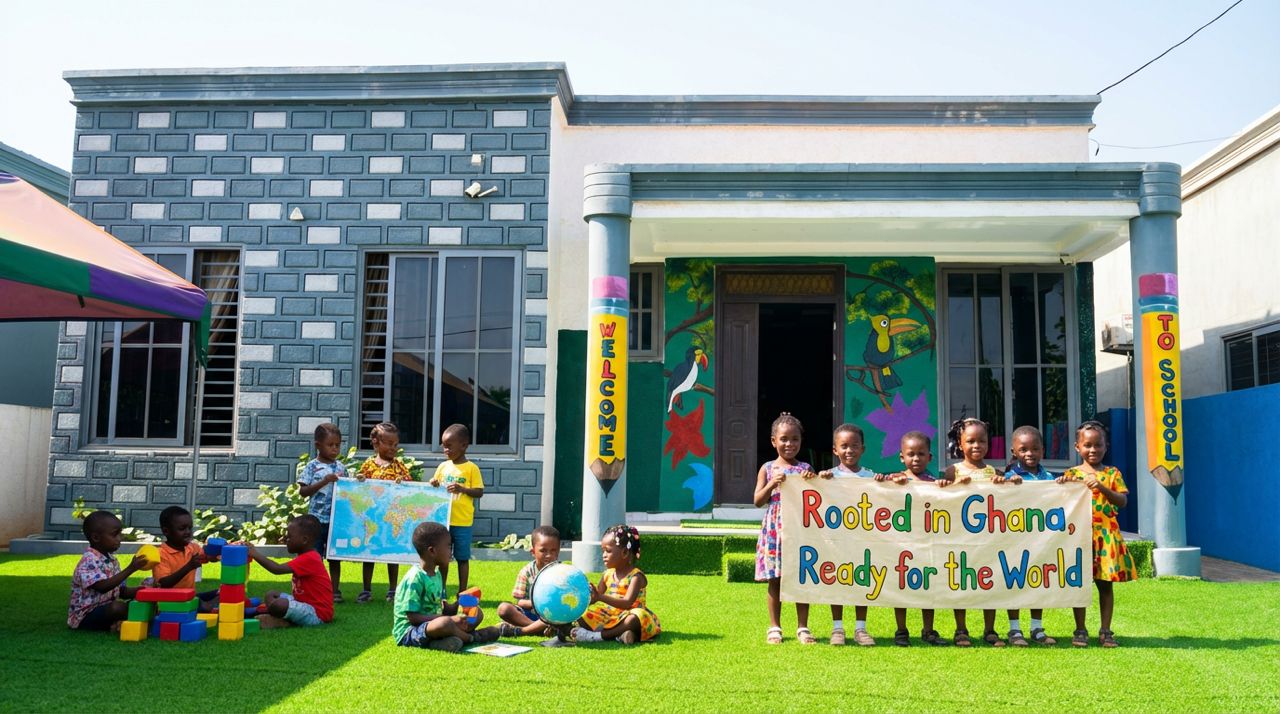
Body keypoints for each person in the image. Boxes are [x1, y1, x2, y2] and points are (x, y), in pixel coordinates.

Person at [1057, 420, 1138, 648]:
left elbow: (1122, 501)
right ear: (1077, 447)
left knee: (1105, 585)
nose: (1093, 450)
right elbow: (1061, 504)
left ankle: (1105, 630)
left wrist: (1101, 487)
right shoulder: (1071, 474)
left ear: (1106, 446)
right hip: (1080, 537)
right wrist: (1062, 486)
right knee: (1079, 584)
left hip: (1106, 536)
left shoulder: (1112, 473)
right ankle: (1080, 629)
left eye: (1098, 445)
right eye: (1087, 445)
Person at [937, 417, 1007, 648]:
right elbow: (939, 498)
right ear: (960, 443)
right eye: (971, 441)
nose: (976, 446)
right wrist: (952, 485)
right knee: (961, 581)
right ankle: (961, 628)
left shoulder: (993, 472)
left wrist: (1007, 483)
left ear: (988, 443)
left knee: (990, 580)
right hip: (960, 538)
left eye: (982, 441)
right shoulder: (951, 471)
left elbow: (1009, 500)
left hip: (988, 538)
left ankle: (990, 628)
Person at [875, 431, 947, 647]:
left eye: (921, 454)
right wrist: (883, 481)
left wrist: (945, 487)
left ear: (930, 457)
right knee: (901, 585)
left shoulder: (934, 482)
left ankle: (928, 629)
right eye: (911, 454)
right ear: (901, 457)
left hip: (927, 543)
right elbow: (877, 493)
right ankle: (901, 629)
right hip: (901, 544)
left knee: (928, 585)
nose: (916, 458)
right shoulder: (895, 479)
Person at [754, 412, 818, 645]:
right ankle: (775, 627)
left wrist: (811, 479)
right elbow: (757, 500)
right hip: (775, 529)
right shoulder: (768, 468)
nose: (789, 444)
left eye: (794, 439)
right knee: (775, 579)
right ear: (774, 441)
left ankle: (802, 626)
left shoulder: (805, 468)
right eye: (784, 439)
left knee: (801, 577)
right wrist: (773, 483)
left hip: (800, 529)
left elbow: (816, 498)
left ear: (801, 442)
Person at [393, 521, 505, 652]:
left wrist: (460, 605)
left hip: (434, 624)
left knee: (477, 613)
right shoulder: (414, 579)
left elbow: (443, 609)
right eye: (448, 547)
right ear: (432, 551)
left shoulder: (437, 575)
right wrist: (449, 619)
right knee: (444, 623)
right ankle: (472, 638)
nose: (451, 551)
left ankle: (446, 640)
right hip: (410, 631)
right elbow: (413, 618)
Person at [812, 423, 876, 646]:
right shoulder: (829, 477)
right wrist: (819, 481)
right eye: (844, 446)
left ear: (863, 449)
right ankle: (837, 628)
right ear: (835, 450)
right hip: (836, 541)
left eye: (854, 446)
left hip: (861, 540)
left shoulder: (871, 477)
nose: (849, 451)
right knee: (837, 580)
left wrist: (887, 484)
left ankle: (861, 628)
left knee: (861, 580)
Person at [996, 425, 1059, 646]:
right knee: (1014, 580)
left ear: (1043, 450)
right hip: (1015, 539)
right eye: (1023, 449)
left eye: (1035, 448)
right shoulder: (1009, 476)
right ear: (1014, 451)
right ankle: (1014, 629)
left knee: (1037, 579)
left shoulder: (1049, 477)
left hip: (1041, 540)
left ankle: (1036, 627)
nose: (1029, 453)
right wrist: (1006, 485)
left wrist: (1063, 487)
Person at [572, 525, 661, 645]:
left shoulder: (636, 577)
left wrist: (600, 597)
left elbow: (627, 603)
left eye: (608, 551)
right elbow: (597, 595)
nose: (604, 555)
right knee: (582, 615)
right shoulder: (607, 574)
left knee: (635, 618)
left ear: (624, 552)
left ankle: (598, 636)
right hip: (608, 614)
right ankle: (623, 635)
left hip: (628, 614)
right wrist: (590, 597)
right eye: (602, 551)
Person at [355, 421, 411, 603]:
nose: (393, 448)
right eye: (388, 443)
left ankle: (393, 590)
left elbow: (410, 485)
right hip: (372, 517)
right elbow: (358, 484)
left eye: (396, 444)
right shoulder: (369, 464)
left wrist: (404, 483)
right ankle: (366, 590)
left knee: (392, 552)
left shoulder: (399, 466)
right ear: (375, 442)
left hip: (392, 517)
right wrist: (361, 480)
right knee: (369, 552)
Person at [428, 423, 484, 598]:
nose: (445, 450)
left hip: (462, 522)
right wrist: (433, 483)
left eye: (449, 446)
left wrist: (463, 489)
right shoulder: (443, 467)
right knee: (442, 558)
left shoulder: (471, 468)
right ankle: (442, 589)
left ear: (464, 445)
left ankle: (462, 590)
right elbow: (435, 485)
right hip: (444, 521)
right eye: (444, 446)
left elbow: (479, 492)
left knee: (462, 557)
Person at [248, 515, 335, 628]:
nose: (285, 540)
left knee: (280, 604)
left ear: (304, 540)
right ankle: (280, 616)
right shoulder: (305, 556)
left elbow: (276, 569)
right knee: (272, 594)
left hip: (317, 614)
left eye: (289, 537)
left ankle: (284, 621)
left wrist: (254, 554)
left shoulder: (310, 558)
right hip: (303, 603)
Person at [67, 511, 146, 631]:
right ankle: (122, 621)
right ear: (96, 538)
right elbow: (103, 587)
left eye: (120, 534)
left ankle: (117, 623)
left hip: (105, 610)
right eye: (115, 535)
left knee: (139, 603)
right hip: (85, 616)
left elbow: (121, 592)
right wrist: (131, 568)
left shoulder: (112, 560)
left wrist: (144, 592)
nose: (120, 539)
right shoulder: (89, 560)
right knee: (117, 608)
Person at [297, 422, 347, 602]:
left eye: (338, 445)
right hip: (315, 521)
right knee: (315, 557)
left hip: (335, 520)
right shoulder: (312, 466)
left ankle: (334, 591)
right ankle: (315, 589)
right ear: (318, 445)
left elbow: (349, 492)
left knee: (334, 557)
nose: (334, 449)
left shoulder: (341, 468)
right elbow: (303, 492)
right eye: (330, 445)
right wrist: (324, 481)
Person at [149, 505, 218, 611]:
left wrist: (221, 554)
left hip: (189, 597)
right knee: (199, 603)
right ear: (166, 531)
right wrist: (189, 567)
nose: (187, 532)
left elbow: (208, 557)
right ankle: (211, 607)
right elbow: (163, 584)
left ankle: (213, 605)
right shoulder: (161, 554)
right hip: (169, 601)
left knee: (223, 592)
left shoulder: (193, 548)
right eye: (182, 528)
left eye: (190, 528)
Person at [497, 525, 561, 636]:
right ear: (533, 551)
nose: (549, 555)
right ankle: (537, 628)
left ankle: (524, 630)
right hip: (530, 615)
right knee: (504, 609)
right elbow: (520, 601)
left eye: (553, 551)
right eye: (543, 551)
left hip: (553, 615)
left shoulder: (563, 572)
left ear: (558, 551)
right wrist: (537, 604)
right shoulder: (527, 572)